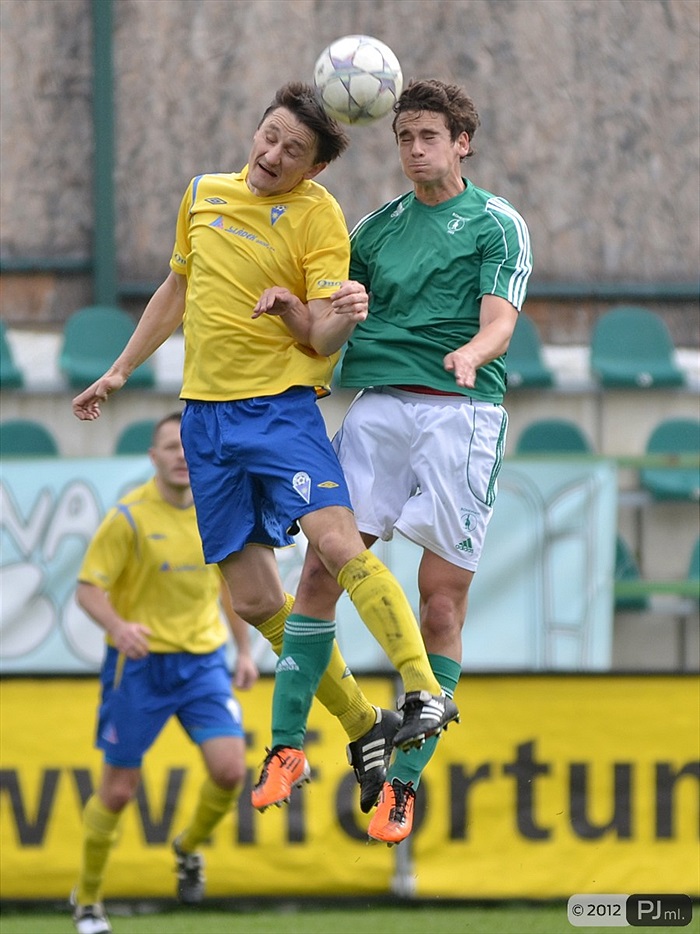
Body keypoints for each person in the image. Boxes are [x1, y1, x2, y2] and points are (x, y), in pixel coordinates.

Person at [71, 82, 458, 822]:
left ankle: (420, 688)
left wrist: (312, 312)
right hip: (206, 424)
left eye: (293, 151)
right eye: (269, 136)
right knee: (253, 599)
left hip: (280, 414)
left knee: (339, 545)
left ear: (313, 169)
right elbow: (177, 286)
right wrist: (121, 368)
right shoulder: (203, 195)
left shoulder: (319, 217)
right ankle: (362, 722)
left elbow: (321, 339)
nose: (272, 155)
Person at [291, 78, 534, 845]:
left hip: (462, 413)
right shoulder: (376, 228)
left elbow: (500, 322)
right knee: (320, 570)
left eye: (428, 135)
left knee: (440, 604)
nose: (415, 148)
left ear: (462, 141)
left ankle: (404, 783)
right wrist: (314, 316)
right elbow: (333, 314)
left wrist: (471, 350)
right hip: (380, 406)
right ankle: (316, 734)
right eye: (404, 137)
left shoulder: (497, 223)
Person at [70, 412, 259, 934]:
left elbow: (229, 587)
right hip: (139, 666)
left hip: (202, 664)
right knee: (119, 790)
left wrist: (243, 652)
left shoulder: (215, 513)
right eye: (168, 447)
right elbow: (88, 588)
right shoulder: (128, 517)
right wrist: (118, 626)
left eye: (186, 446)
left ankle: (187, 848)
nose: (180, 455)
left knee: (230, 771)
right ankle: (87, 901)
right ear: (153, 457)